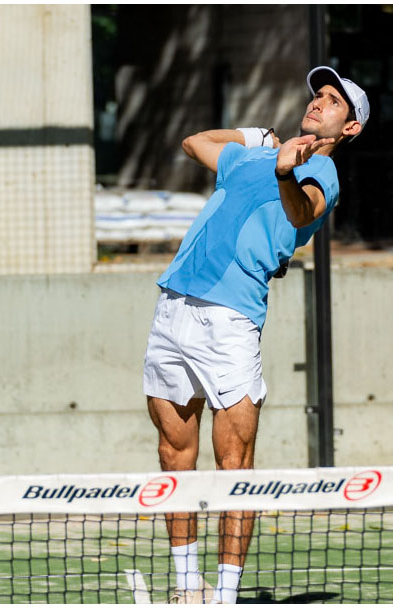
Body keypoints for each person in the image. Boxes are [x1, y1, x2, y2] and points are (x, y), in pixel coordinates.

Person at [143, 66, 369, 604]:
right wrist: (259, 138)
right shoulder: (251, 157)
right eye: (318, 95)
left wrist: (287, 171)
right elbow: (194, 142)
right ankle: (187, 587)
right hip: (173, 305)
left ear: (350, 128)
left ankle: (225, 595)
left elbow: (301, 211)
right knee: (174, 453)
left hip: (231, 320)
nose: (318, 102)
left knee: (234, 464)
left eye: (334, 101)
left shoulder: (323, 173)